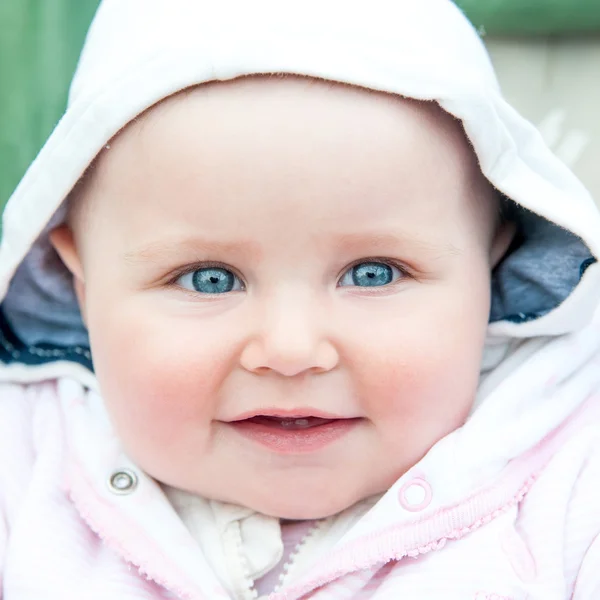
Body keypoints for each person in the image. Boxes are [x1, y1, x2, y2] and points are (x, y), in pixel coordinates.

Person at [1, 0, 600, 598]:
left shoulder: (573, 482)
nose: (291, 351)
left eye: (373, 274)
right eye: (209, 278)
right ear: (81, 283)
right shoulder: (20, 468)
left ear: (491, 264)